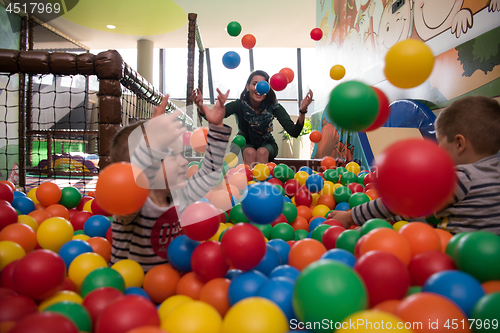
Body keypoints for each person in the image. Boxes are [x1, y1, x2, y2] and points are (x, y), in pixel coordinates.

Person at [328, 95, 500, 235]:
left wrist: (350, 216)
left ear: (459, 144)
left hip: (458, 257)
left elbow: (399, 202)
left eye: (440, 143)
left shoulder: (461, 177)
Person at [108, 91, 232, 272]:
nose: (183, 161)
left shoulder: (181, 195)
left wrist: (217, 127)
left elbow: (210, 172)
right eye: (172, 156)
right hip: (132, 288)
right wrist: (152, 143)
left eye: (181, 154)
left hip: (173, 284)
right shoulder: (133, 206)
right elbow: (135, 177)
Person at [193, 70, 314, 167]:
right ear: (247, 87)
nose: (258, 88)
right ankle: (248, 189)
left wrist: (303, 110)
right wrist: (200, 106)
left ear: (268, 88)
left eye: (263, 85)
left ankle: (261, 191)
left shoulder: (274, 106)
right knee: (250, 152)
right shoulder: (239, 104)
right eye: (255, 84)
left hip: (267, 144)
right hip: (242, 142)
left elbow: (294, 132)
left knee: (262, 151)